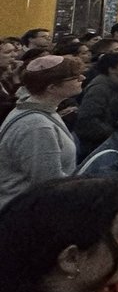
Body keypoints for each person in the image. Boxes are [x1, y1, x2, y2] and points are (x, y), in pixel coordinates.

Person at [0, 54, 84, 211]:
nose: (82, 78)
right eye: (75, 77)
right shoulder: (37, 126)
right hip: (23, 213)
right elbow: (48, 182)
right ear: (52, 87)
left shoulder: (41, 109)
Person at [75, 52, 118, 159]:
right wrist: (117, 135)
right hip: (101, 145)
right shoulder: (99, 88)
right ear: (111, 69)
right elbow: (88, 120)